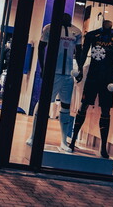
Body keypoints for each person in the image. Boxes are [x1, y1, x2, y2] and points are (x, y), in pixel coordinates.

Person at [70, 19, 113, 159]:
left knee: (106, 111)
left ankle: (103, 147)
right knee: (83, 106)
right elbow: (83, 53)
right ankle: (72, 140)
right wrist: (80, 69)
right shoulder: (91, 35)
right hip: (92, 76)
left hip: (108, 78)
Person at [26, 13, 82, 152]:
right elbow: (41, 47)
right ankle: (33, 136)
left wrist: (80, 69)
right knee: (43, 102)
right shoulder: (49, 28)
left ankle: (63, 141)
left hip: (68, 74)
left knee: (66, 106)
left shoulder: (77, 31)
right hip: (53, 73)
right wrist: (43, 67)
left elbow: (79, 52)